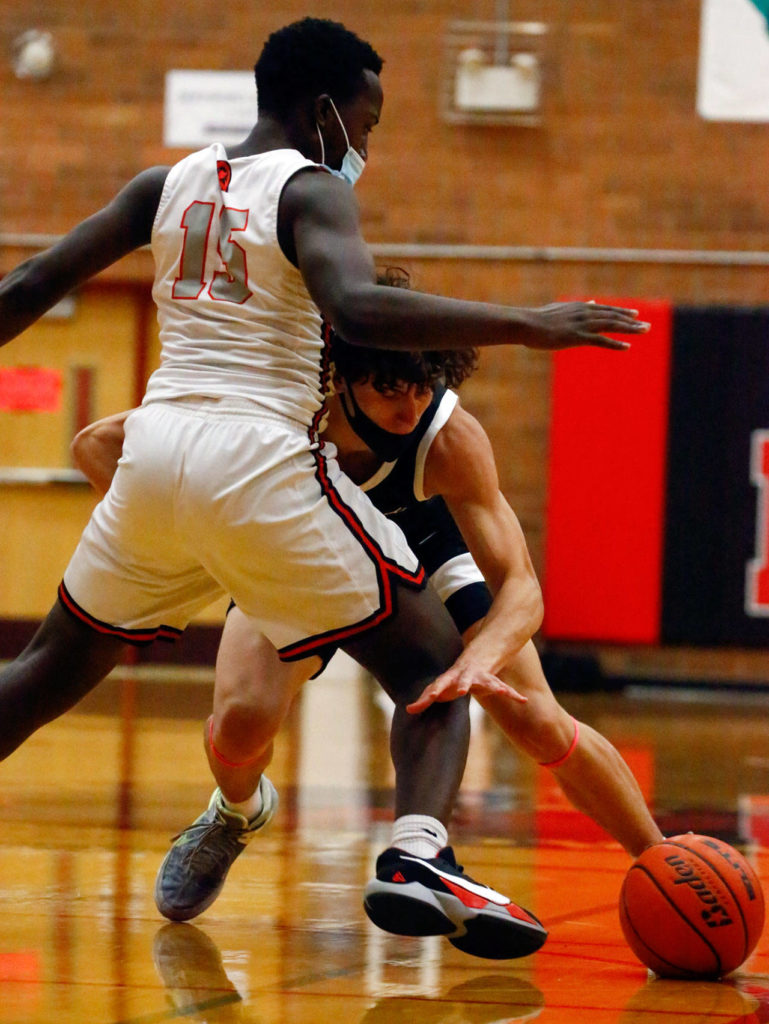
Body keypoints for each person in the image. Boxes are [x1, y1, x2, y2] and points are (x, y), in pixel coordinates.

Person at [0, 17, 649, 959]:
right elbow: (355, 305)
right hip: (256, 454)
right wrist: (527, 321)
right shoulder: (306, 188)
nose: (366, 145)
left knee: (40, 678)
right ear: (321, 110)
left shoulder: (162, 185)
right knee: (430, 668)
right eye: (366, 122)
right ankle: (418, 855)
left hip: (153, 449)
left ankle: (285, 824)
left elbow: (27, 284)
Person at [73, 318, 663, 954]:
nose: (410, 407)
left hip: (425, 547)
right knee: (244, 721)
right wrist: (212, 547)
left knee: (532, 717)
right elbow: (96, 444)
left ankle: (664, 864)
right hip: (300, 551)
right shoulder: (280, 402)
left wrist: (480, 659)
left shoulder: (446, 434)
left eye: (421, 387)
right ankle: (235, 812)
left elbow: (523, 588)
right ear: (341, 382)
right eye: (388, 390)